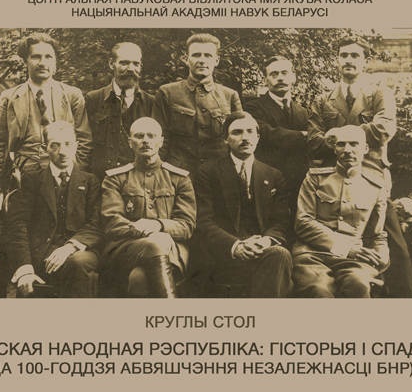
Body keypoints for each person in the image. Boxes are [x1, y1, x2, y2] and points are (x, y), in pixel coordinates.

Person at [307, 35, 412, 298]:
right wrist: (350, 136)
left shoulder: (380, 94)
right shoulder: (323, 99)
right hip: (332, 183)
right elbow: (312, 142)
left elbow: (383, 130)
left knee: (396, 248)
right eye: (343, 55)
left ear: (365, 61)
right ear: (336, 60)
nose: (348, 60)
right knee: (328, 246)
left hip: (372, 180)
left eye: (355, 55)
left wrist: (336, 135)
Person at [193, 112, 292, 297]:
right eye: (237, 132)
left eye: (250, 132)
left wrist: (265, 242)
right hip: (224, 252)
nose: (245, 137)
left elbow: (280, 221)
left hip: (262, 251)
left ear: (258, 137)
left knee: (280, 254)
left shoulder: (273, 175)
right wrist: (236, 246)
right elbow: (204, 221)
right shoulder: (207, 172)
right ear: (225, 139)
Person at [101, 117, 196, 298]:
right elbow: (112, 223)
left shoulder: (179, 178)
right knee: (153, 245)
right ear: (130, 142)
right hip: (127, 248)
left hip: (171, 249)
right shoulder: (115, 178)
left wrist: (158, 225)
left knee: (139, 278)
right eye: (139, 136)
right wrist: (150, 234)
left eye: (151, 136)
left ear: (161, 141)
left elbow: (186, 225)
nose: (145, 140)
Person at [6, 121, 102, 298]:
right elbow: (17, 225)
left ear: (76, 146)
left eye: (68, 144)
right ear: (44, 149)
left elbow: (96, 223)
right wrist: (25, 268)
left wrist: (70, 247)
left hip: (82, 250)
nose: (63, 151)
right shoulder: (32, 181)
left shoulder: (90, 181)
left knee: (78, 262)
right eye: (55, 146)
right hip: (43, 251)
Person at [292, 125, 389, 298]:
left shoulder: (376, 186)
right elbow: (303, 222)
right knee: (319, 290)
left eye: (354, 144)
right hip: (312, 254)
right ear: (334, 149)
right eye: (341, 144)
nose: (347, 150)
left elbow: (377, 234)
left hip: (354, 260)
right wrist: (345, 247)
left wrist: (380, 258)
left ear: (365, 148)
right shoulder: (315, 178)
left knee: (358, 286)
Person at [0, 32, 92, 183]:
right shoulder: (8, 98)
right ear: (25, 61)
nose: (43, 63)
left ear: (55, 62)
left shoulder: (72, 95)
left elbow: (84, 141)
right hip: (22, 177)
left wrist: (74, 175)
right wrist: (1, 180)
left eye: (48, 57)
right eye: (36, 57)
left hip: (63, 177)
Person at [152, 33, 242, 176]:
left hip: (218, 174)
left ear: (216, 60)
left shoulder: (230, 95)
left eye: (208, 55)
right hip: (178, 174)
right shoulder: (167, 93)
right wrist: (157, 174)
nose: (202, 60)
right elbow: (160, 139)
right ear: (186, 59)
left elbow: (238, 140)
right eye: (196, 55)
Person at [244, 56, 309, 245]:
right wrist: (304, 136)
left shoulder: (303, 112)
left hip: (298, 181)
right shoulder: (253, 107)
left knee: (296, 229)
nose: (280, 78)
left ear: (293, 77)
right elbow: (266, 134)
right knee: (270, 228)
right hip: (267, 181)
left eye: (284, 73)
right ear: (265, 79)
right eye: (273, 74)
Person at [85, 42, 155, 181]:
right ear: (112, 64)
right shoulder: (94, 99)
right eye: (124, 63)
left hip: (139, 180)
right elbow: (86, 143)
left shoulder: (151, 102)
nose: (130, 69)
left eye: (136, 64)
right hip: (101, 179)